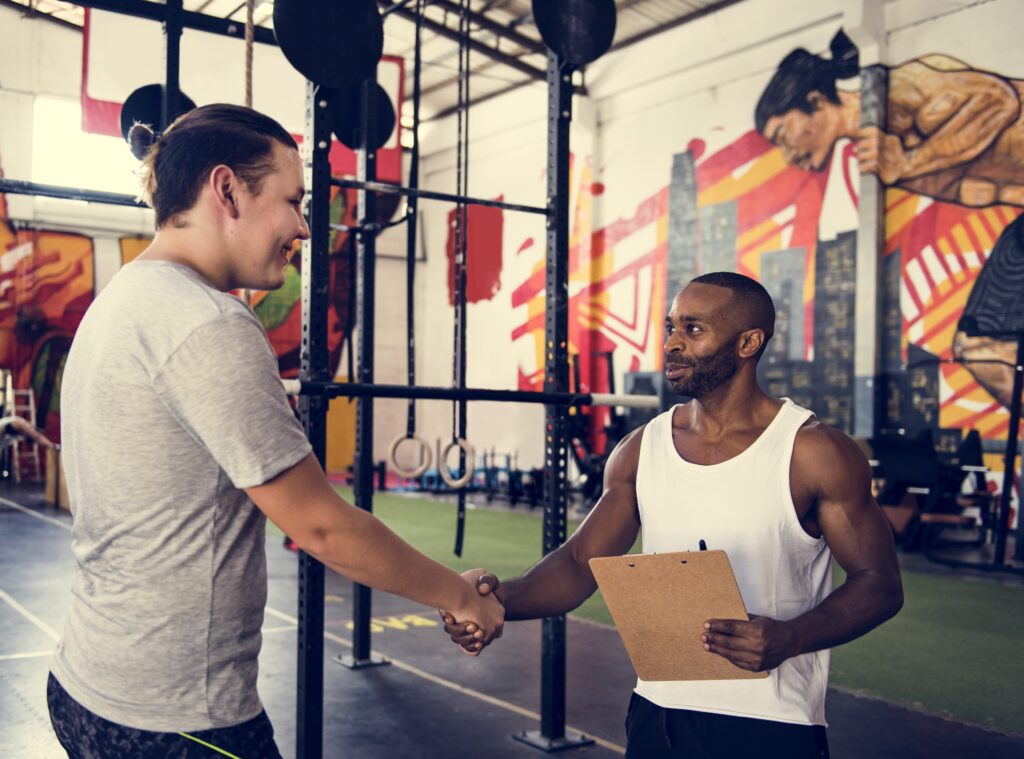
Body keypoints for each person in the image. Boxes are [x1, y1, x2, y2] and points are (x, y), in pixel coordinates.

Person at [49, 104, 503, 758]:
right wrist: (459, 593)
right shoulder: (208, 323)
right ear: (227, 189)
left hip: (86, 685)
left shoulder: (122, 299)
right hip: (175, 719)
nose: (303, 227)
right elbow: (320, 526)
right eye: (293, 201)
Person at [444, 272, 903, 759]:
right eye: (670, 328)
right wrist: (496, 601)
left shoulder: (813, 452)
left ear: (749, 343)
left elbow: (880, 583)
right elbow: (581, 563)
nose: (672, 344)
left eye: (693, 329)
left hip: (771, 721)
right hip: (658, 711)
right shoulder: (641, 449)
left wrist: (791, 637)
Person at [755, 29, 1024, 409]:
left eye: (783, 134)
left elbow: (997, 103)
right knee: (981, 350)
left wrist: (910, 162)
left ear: (816, 101)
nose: (787, 154)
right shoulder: (883, 151)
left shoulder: (901, 92)